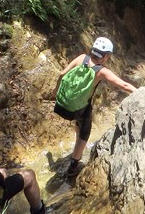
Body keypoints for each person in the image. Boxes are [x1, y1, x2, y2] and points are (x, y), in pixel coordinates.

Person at [53, 37, 137, 177]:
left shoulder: (81, 58)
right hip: (80, 108)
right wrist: (141, 91)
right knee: (85, 131)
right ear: (106, 56)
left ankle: (77, 139)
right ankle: (73, 167)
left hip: (62, 105)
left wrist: (56, 92)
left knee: (80, 123)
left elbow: (62, 74)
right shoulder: (101, 71)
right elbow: (124, 85)